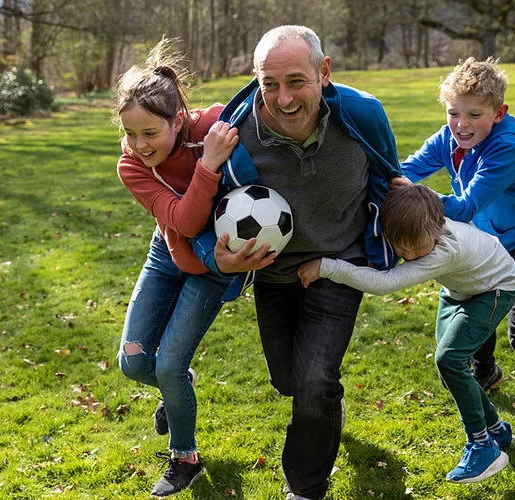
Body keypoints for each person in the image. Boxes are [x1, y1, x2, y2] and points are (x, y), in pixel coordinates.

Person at [191, 26, 403, 500]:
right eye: (269, 83)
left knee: (314, 379)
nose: (282, 98)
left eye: (296, 81)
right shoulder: (234, 134)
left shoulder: (363, 115)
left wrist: (411, 220)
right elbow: (201, 207)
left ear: (324, 72)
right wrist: (217, 254)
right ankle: (327, 404)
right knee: (290, 380)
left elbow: (390, 177)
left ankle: (304, 487)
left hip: (338, 264)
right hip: (274, 272)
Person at [393, 57, 515, 480]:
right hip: (494, 239)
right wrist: (383, 187)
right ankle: (485, 371)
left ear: (498, 113)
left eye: (474, 115)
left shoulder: (505, 149)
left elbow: (465, 206)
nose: (461, 124)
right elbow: (404, 172)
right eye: (453, 112)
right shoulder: (448, 138)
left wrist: (415, 199)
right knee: (475, 299)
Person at [298, 184, 515, 483]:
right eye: (402, 247)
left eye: (417, 246)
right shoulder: (424, 220)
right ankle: (497, 429)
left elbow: (384, 284)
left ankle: (482, 446)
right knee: (449, 370)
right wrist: (409, 186)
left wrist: (327, 267)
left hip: (495, 287)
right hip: (459, 289)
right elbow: (413, 199)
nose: (410, 254)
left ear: (437, 228)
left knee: (450, 360)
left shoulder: (444, 250)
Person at [114, 38, 239, 498]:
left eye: (151, 133)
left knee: (168, 364)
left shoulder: (210, 126)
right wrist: (208, 167)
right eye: (132, 134)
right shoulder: (132, 167)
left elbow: (249, 118)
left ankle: (185, 458)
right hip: (167, 253)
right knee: (133, 362)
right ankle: (176, 389)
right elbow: (183, 221)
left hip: (213, 267)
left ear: (178, 119)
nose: (141, 145)